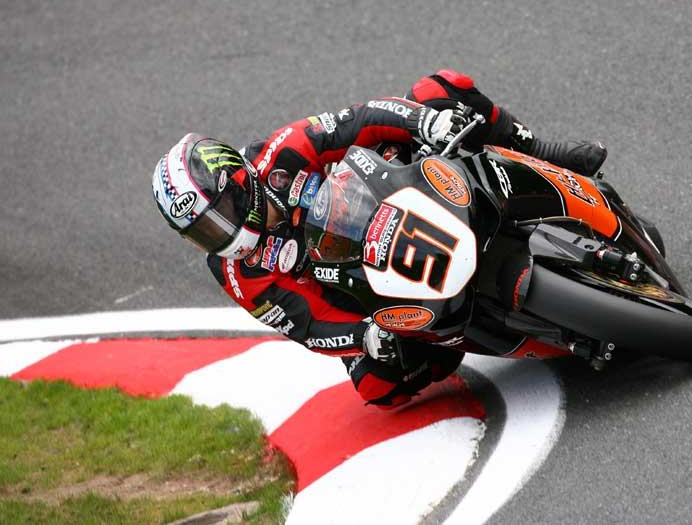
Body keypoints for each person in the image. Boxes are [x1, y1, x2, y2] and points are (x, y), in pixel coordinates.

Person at [151, 69, 606, 409]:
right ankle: (454, 339)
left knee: (439, 90)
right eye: (203, 232)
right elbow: (307, 323)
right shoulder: (237, 272)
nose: (222, 233)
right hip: (366, 285)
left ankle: (541, 152)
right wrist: (363, 336)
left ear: (236, 182)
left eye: (219, 216)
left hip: (402, 192)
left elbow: (363, 118)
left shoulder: (284, 150)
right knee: (377, 386)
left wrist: (424, 124)